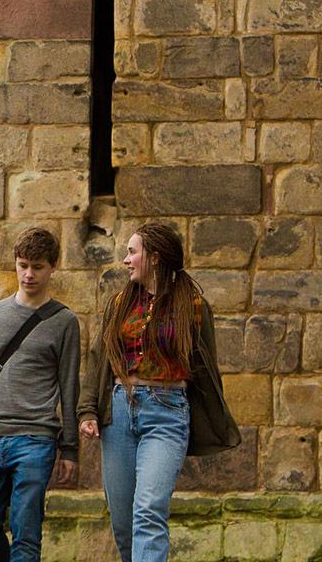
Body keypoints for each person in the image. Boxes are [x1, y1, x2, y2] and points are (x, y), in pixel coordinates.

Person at [77, 222, 240, 562]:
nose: (126, 260)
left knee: (149, 510)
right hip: (120, 410)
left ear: (154, 258)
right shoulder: (120, 303)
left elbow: (206, 368)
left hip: (167, 413)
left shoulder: (193, 307)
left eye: (132, 252)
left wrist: (210, 420)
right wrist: (89, 410)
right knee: (123, 522)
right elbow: (99, 358)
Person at [0, 227, 80, 562]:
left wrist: (69, 449)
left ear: (53, 267)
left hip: (36, 439)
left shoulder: (65, 322)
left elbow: (69, 387)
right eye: (23, 265)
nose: (28, 274)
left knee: (27, 535)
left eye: (38, 266)